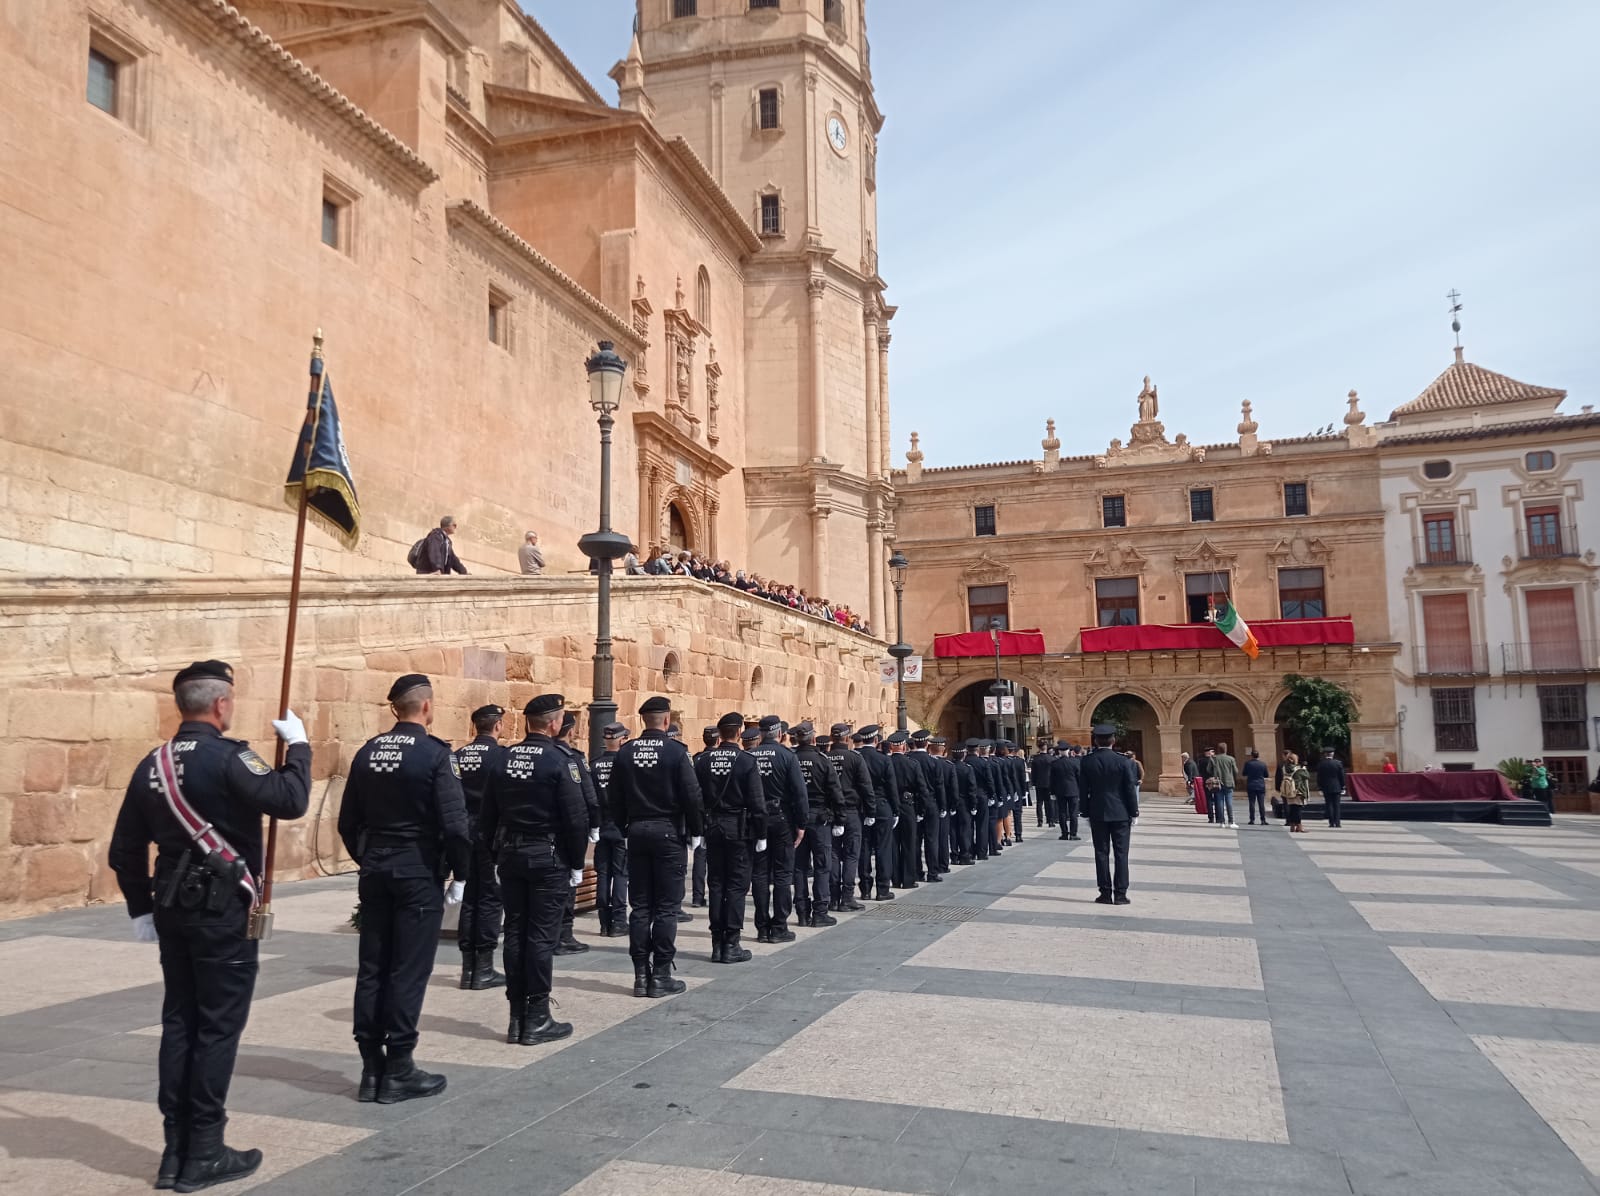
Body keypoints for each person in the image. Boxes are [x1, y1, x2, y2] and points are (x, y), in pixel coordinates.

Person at [108, 660, 310, 1192]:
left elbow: (124, 848)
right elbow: (289, 801)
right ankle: (204, 1151)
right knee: (217, 1026)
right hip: (221, 911)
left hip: (172, 908)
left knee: (180, 1022)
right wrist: (301, 748)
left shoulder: (152, 763)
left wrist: (140, 908)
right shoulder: (229, 756)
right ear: (221, 704)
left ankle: (175, 1150)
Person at [338, 674, 471, 1105]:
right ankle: (399, 1068)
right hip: (416, 872)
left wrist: (370, 857)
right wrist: (461, 875)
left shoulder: (368, 752)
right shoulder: (435, 756)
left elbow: (347, 821)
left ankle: (370, 1069)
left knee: (373, 966)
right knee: (409, 969)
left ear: (396, 708)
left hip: (376, 868)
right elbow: (454, 824)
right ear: (427, 707)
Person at [480, 694, 588, 1046]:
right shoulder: (560, 761)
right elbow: (575, 818)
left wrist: (495, 855)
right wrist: (576, 864)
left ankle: (516, 1018)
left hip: (511, 855)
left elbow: (488, 817)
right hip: (548, 857)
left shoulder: (504, 758)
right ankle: (537, 1018)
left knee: (514, 933)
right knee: (540, 937)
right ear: (555, 723)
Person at [610, 696, 704, 997]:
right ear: (666, 721)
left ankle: (640, 975)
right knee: (666, 907)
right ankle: (661, 974)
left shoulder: (626, 752)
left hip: (637, 832)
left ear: (642, 721)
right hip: (667, 833)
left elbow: (614, 797)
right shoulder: (677, 753)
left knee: (640, 907)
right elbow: (692, 796)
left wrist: (625, 825)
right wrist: (696, 831)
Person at [694, 712, 766, 963]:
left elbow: (696, 799)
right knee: (736, 885)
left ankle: (716, 943)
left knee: (715, 884)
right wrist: (761, 833)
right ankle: (731, 943)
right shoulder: (746, 761)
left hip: (713, 827)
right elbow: (757, 801)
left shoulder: (703, 760)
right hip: (738, 829)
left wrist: (699, 829)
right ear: (738, 733)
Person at [452, 705, 507, 990]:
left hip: (463, 831)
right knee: (489, 898)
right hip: (489, 832)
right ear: (497, 726)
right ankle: (483, 967)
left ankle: (468, 968)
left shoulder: (458, 756)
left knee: (470, 898)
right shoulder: (501, 756)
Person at [746, 716, 808, 941]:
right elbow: (800, 794)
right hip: (782, 819)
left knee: (760, 874)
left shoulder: (749, 756)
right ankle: (779, 927)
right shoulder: (787, 756)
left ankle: (762, 928)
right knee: (782, 874)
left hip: (755, 820)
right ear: (780, 734)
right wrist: (801, 824)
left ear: (760, 733)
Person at [552, 712, 599, 955]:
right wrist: (593, 826)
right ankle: (564, 935)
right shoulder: (573, 759)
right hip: (563, 836)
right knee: (567, 885)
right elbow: (588, 798)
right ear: (570, 730)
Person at [791, 721, 844, 925]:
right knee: (822, 866)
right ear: (813, 738)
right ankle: (820, 912)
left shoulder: (792, 759)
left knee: (799, 867)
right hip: (820, 819)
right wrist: (840, 818)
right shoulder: (822, 760)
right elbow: (835, 791)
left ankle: (802, 913)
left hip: (797, 819)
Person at [1080, 724, 1139, 905]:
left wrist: (1085, 811)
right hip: (1121, 812)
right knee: (1121, 854)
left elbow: (1083, 789)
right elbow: (1129, 788)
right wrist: (1134, 811)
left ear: (1096, 741)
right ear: (1113, 740)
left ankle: (1105, 893)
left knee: (1101, 853)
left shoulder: (1087, 761)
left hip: (1098, 811)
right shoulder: (1124, 761)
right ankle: (1120, 894)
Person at [589, 722, 630, 937]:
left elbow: (590, 798)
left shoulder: (594, 765)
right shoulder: (626, 764)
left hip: (601, 827)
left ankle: (604, 922)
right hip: (620, 827)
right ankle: (619, 922)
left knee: (603, 874)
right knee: (621, 875)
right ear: (622, 739)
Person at [824, 723, 870, 910]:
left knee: (833, 855)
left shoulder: (824, 757)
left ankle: (834, 898)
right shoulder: (854, 758)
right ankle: (847, 898)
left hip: (830, 811)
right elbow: (866, 787)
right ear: (848, 737)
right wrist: (871, 810)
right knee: (851, 855)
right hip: (851, 811)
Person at [853, 726, 897, 899]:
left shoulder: (855, 758)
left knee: (863, 849)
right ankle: (883, 889)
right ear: (876, 740)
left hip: (861, 807)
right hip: (882, 806)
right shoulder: (883, 760)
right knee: (883, 849)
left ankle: (865, 890)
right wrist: (896, 809)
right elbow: (891, 787)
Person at [1052, 743, 1082, 841]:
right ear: (1069, 750)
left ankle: (1064, 833)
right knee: (1073, 813)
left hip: (1060, 791)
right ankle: (1073, 834)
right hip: (1073, 790)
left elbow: (1052, 779)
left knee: (1062, 812)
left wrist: (1052, 792)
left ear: (1059, 751)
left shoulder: (1055, 763)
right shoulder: (1075, 762)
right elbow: (1079, 777)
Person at [1316, 746, 1347, 827]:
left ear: (1325, 754)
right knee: (1337, 805)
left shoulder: (1321, 764)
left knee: (1329, 805)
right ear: (1332, 754)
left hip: (1326, 787)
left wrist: (1319, 787)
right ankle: (1338, 823)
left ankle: (1331, 822)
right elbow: (1341, 776)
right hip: (1337, 787)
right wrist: (1343, 786)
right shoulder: (1338, 763)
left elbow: (1319, 777)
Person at [1211, 742, 1239, 829]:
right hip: (1229, 782)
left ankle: (1222, 822)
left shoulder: (1215, 759)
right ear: (1226, 749)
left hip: (1217, 783)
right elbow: (1236, 771)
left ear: (1218, 749)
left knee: (1219, 802)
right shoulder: (1231, 759)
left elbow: (1209, 769)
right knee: (1229, 802)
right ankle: (1231, 821)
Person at [1280, 751, 1309, 832]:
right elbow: (1307, 776)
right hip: (1297, 791)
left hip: (1288, 791)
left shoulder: (1284, 768)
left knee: (1292, 808)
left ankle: (1292, 826)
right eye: (1296, 759)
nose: (1297, 760)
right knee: (1298, 809)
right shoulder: (1298, 769)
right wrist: (1304, 768)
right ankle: (1299, 826)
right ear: (1292, 760)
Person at [1242, 748, 1270, 826]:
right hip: (1260, 785)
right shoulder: (1263, 764)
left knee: (1252, 803)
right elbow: (1266, 775)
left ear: (1251, 756)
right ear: (1258, 756)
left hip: (1251, 784)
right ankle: (1263, 820)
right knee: (1261, 803)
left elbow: (1244, 773)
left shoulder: (1248, 763)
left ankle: (1252, 819)